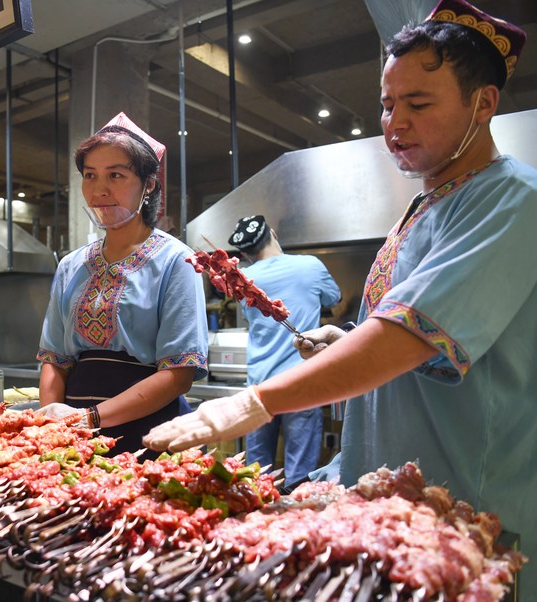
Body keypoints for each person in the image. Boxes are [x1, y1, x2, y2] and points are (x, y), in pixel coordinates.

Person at [144, 0, 536, 594]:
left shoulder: (513, 200)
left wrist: (256, 402)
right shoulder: (422, 207)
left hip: (466, 510)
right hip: (388, 503)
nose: (395, 124)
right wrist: (347, 338)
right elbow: (410, 339)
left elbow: (408, 337)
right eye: (387, 104)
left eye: (419, 104)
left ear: (483, 104)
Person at [36, 112, 208, 456]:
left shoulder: (177, 261)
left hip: (150, 435)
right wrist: (51, 429)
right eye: (90, 175)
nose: (99, 190)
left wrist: (89, 418)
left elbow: (179, 373)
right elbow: (55, 358)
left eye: (116, 175)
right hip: (76, 438)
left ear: (149, 184)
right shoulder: (71, 265)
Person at [227, 215, 341, 489]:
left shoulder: (245, 280)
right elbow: (333, 297)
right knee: (299, 477)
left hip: (260, 385)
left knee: (257, 475)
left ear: (245, 254)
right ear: (273, 233)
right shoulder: (310, 266)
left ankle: (255, 513)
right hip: (302, 381)